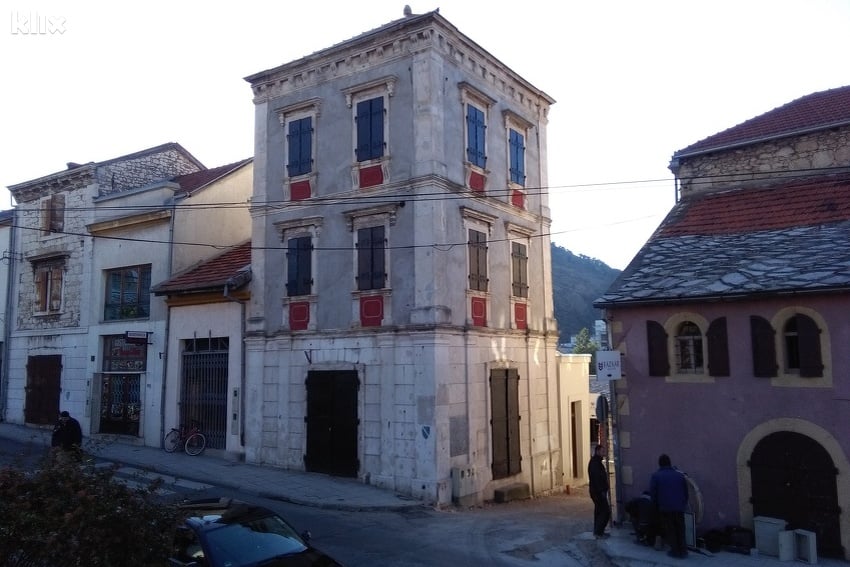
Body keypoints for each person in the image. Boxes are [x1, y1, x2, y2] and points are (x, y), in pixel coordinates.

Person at [650, 454, 689, 558]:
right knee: (680, 528)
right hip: (679, 507)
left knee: (671, 529)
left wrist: (655, 506)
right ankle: (683, 550)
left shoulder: (656, 476)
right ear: (670, 463)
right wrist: (683, 503)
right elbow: (686, 492)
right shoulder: (679, 475)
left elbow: (653, 493)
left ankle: (675, 551)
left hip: (665, 508)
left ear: (659, 464)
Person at [588, 444, 610, 539]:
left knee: (599, 511)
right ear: (597, 451)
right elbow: (597, 478)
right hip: (598, 492)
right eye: (602, 451)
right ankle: (598, 531)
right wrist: (601, 491)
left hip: (597, 491)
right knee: (605, 511)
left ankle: (598, 531)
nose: (604, 453)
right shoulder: (595, 463)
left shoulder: (596, 462)